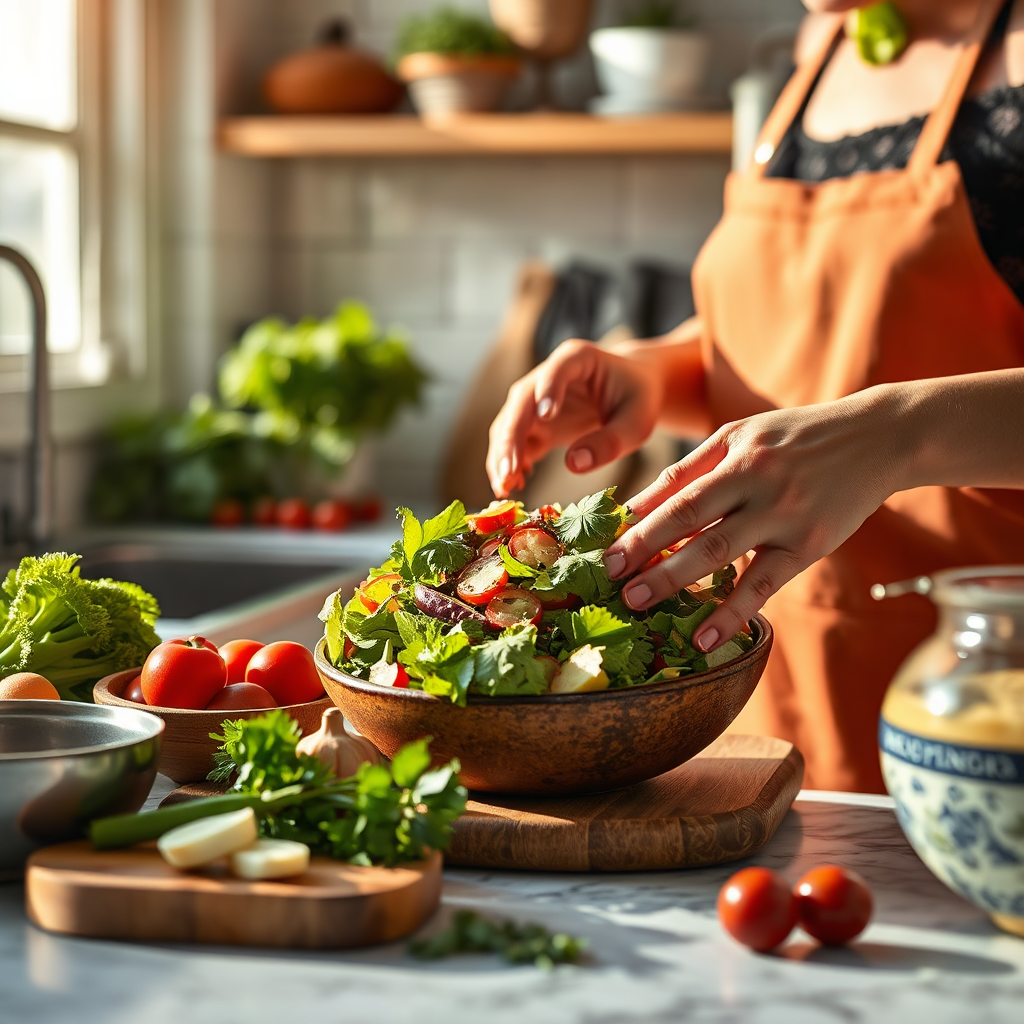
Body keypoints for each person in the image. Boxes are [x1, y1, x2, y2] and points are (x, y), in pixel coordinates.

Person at [485, 0, 1024, 793]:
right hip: (761, 689)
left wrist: (894, 435)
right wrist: (659, 373)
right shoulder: (822, 45)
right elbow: (815, 339)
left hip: (982, 702)